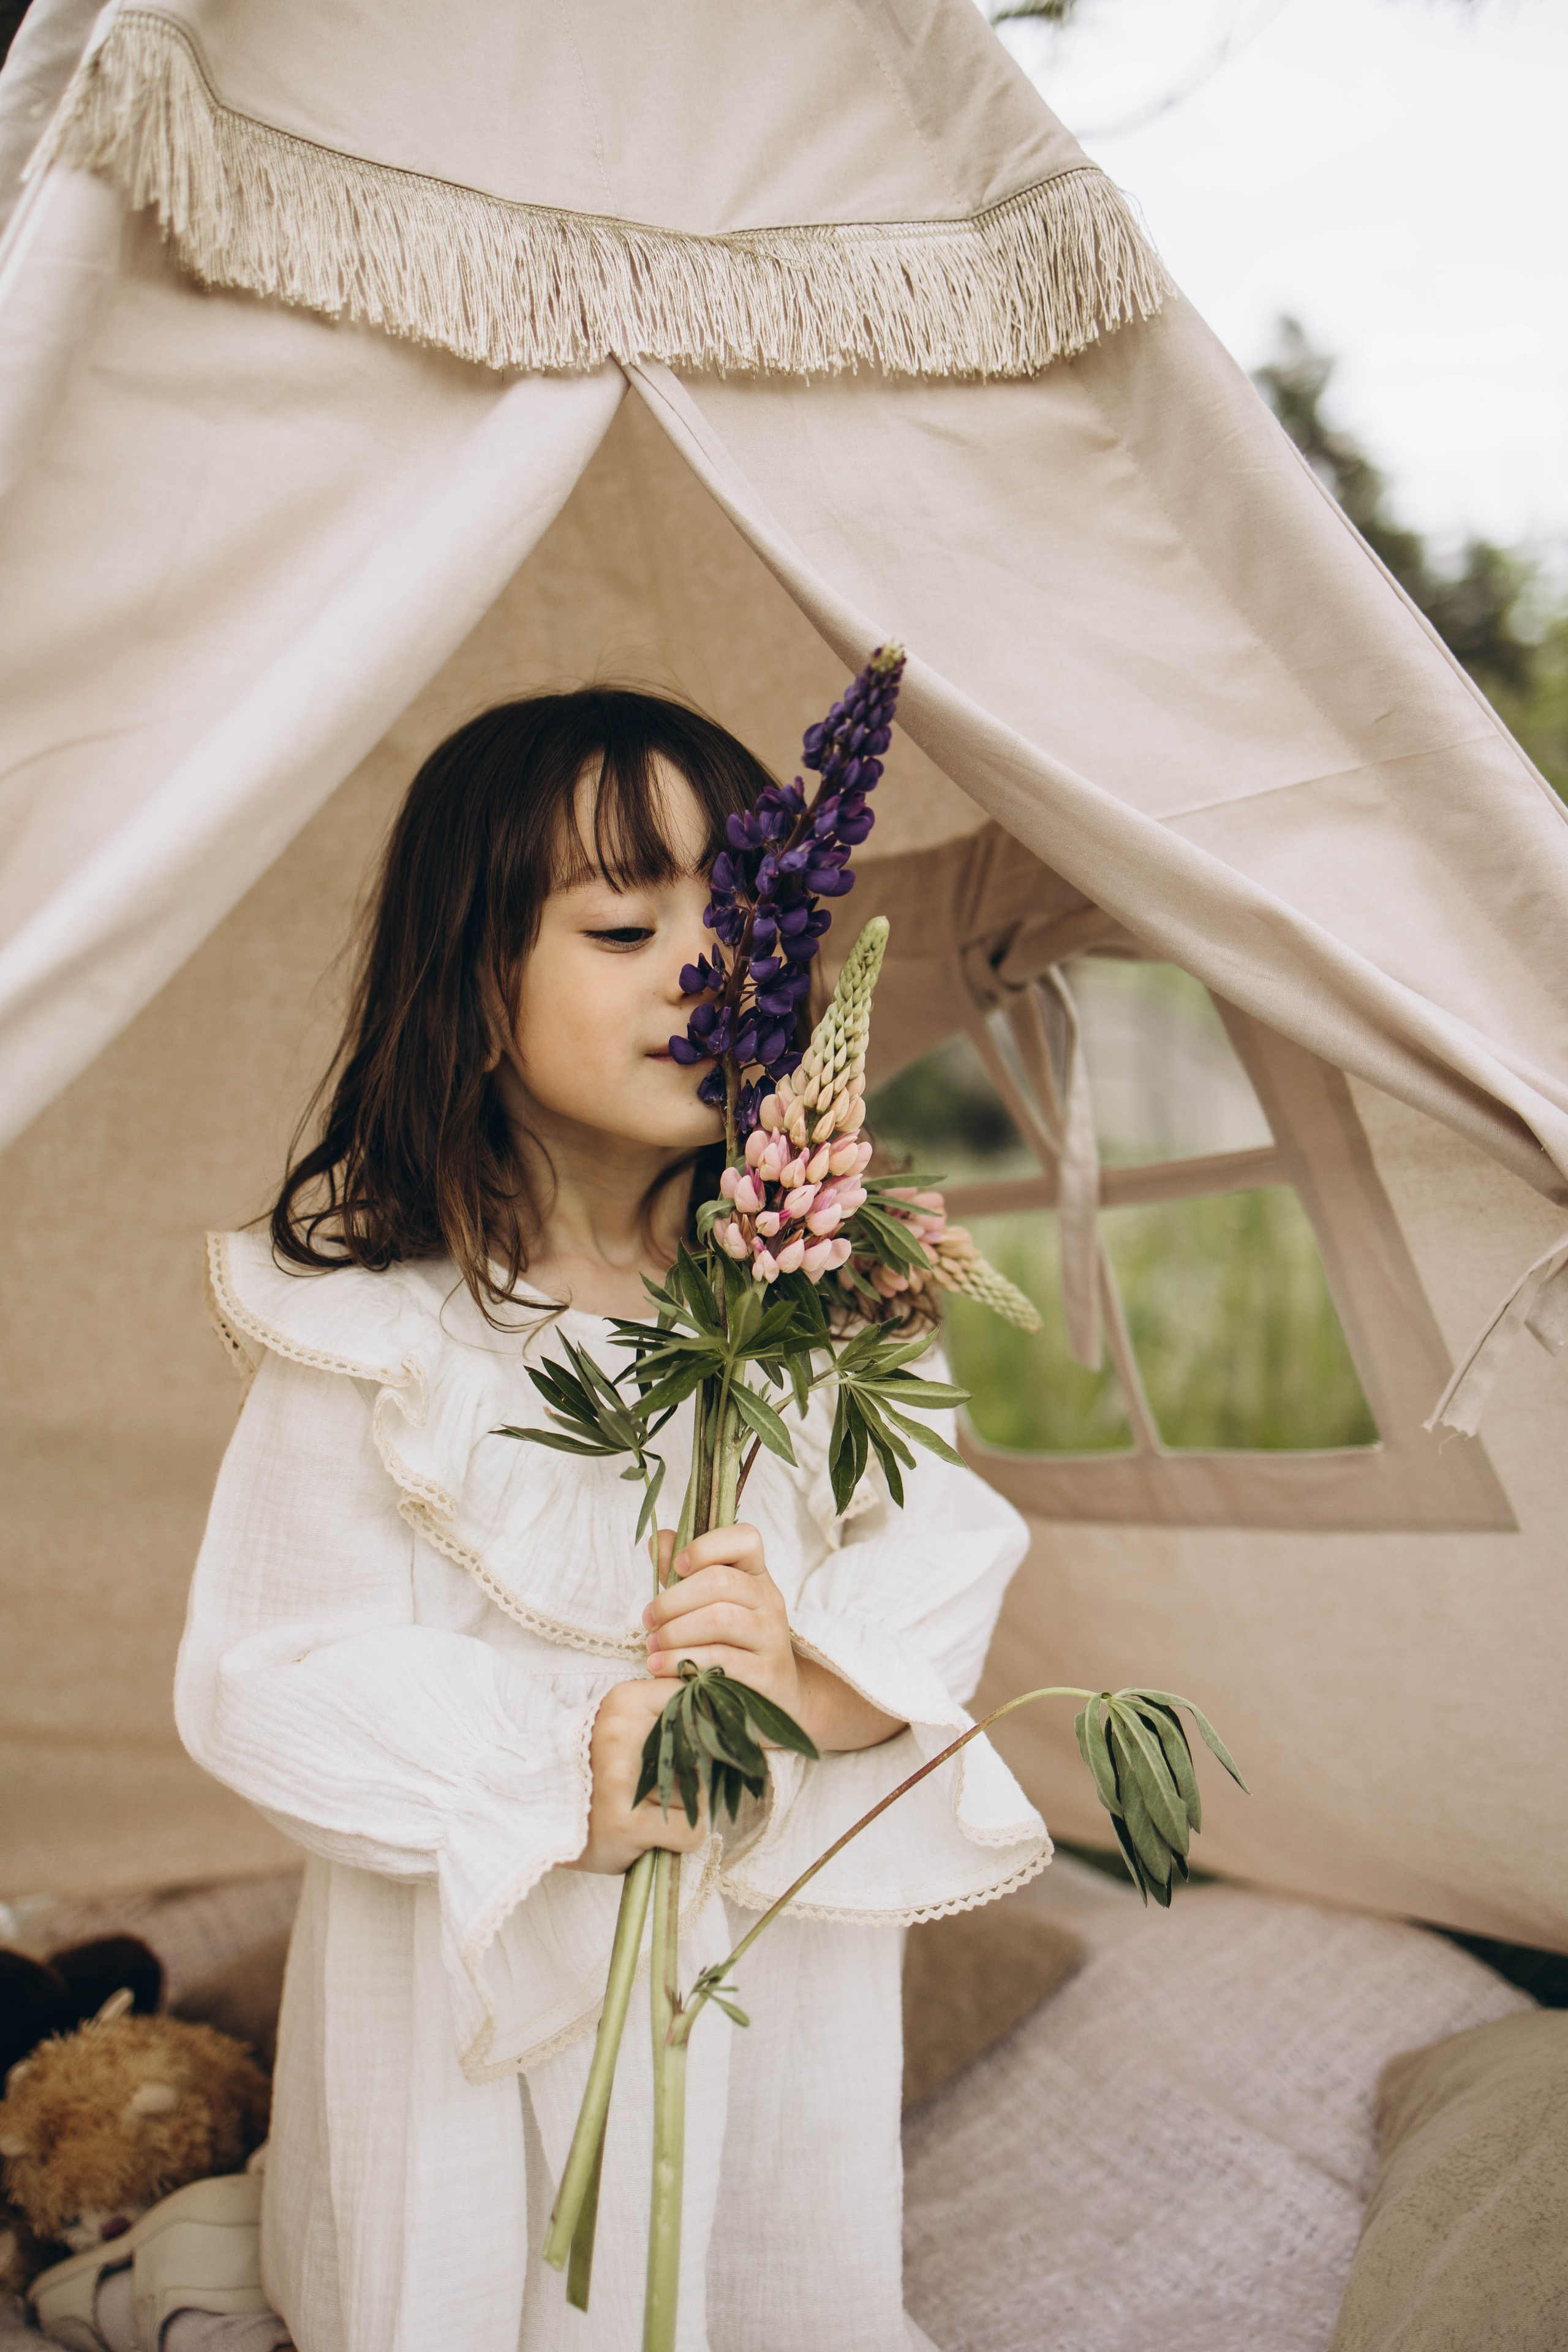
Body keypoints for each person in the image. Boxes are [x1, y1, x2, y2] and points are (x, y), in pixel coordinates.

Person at [175, 690, 1049, 2352]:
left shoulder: (828, 1313)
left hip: (751, 1964)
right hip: (472, 1969)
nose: (705, 973)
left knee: (739, 2256)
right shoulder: (379, 1334)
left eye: (743, 921)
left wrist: (814, 1679)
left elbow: (944, 1542)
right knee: (463, 2273)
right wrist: (552, 1774)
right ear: (475, 987)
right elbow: (270, 1667)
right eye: (627, 923)